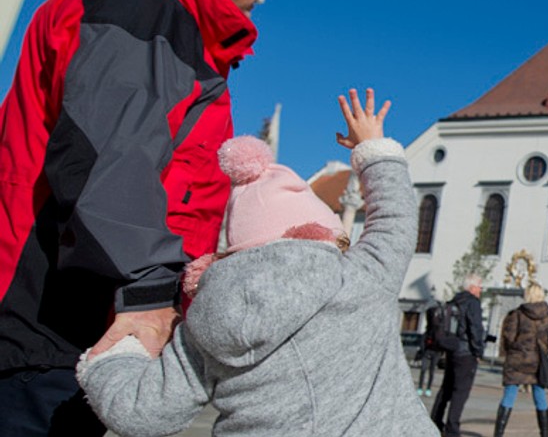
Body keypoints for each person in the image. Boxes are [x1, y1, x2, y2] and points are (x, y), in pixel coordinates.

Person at [0, 0, 277, 435]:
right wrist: (147, 295)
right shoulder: (142, 4)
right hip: (50, 329)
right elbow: (111, 158)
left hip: (79, 327)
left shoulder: (167, 19)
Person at [77, 89, 439, 436]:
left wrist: (111, 360)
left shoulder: (207, 319)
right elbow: (396, 217)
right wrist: (370, 147)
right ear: (321, 231)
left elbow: (142, 412)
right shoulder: (362, 278)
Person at [494, 284, 548, 437]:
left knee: (509, 395)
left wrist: (518, 347)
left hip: (517, 359)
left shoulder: (517, 314)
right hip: (537, 361)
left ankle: (499, 434)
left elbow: (508, 336)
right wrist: (541, 346)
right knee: (540, 395)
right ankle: (544, 434)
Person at [431, 274, 485, 436]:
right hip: (466, 352)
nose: (481, 290)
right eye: (480, 286)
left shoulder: (455, 300)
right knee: (460, 392)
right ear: (472, 287)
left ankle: (435, 420)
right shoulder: (472, 303)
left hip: (452, 350)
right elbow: (475, 328)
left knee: (446, 388)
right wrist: (478, 351)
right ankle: (452, 429)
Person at [417, 303, 441, 397]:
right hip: (428, 350)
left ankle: (428, 388)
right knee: (423, 369)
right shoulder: (429, 329)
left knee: (431, 371)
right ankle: (420, 387)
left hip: (435, 351)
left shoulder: (438, 328)